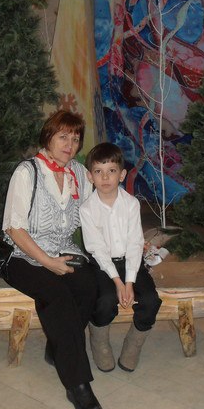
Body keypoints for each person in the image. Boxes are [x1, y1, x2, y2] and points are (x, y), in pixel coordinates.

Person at [2, 111, 102, 409]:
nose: (70, 144)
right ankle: (78, 384)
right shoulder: (27, 172)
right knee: (58, 295)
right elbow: (14, 228)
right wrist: (47, 262)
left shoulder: (79, 174)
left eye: (76, 139)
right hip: (23, 255)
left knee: (88, 285)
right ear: (48, 137)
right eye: (63, 137)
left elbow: (99, 212)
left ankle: (58, 346)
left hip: (63, 250)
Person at [79, 142, 162, 372]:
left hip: (131, 261)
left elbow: (135, 243)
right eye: (98, 171)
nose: (105, 177)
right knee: (104, 300)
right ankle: (99, 341)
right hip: (101, 265)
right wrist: (118, 283)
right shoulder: (87, 209)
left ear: (122, 175)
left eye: (112, 171)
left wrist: (129, 282)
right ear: (90, 176)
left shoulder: (131, 204)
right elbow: (97, 249)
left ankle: (134, 343)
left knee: (151, 300)